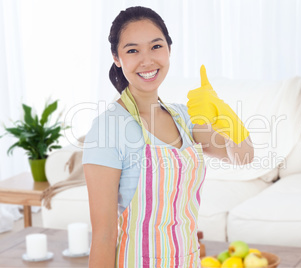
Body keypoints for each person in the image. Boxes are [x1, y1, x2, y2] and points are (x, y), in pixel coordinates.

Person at [82, 6, 254, 268]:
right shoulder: (108, 130)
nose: (147, 60)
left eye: (156, 46)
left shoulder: (184, 119)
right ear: (116, 58)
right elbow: (104, 236)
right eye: (132, 50)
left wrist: (226, 115)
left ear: (169, 50)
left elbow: (242, 156)